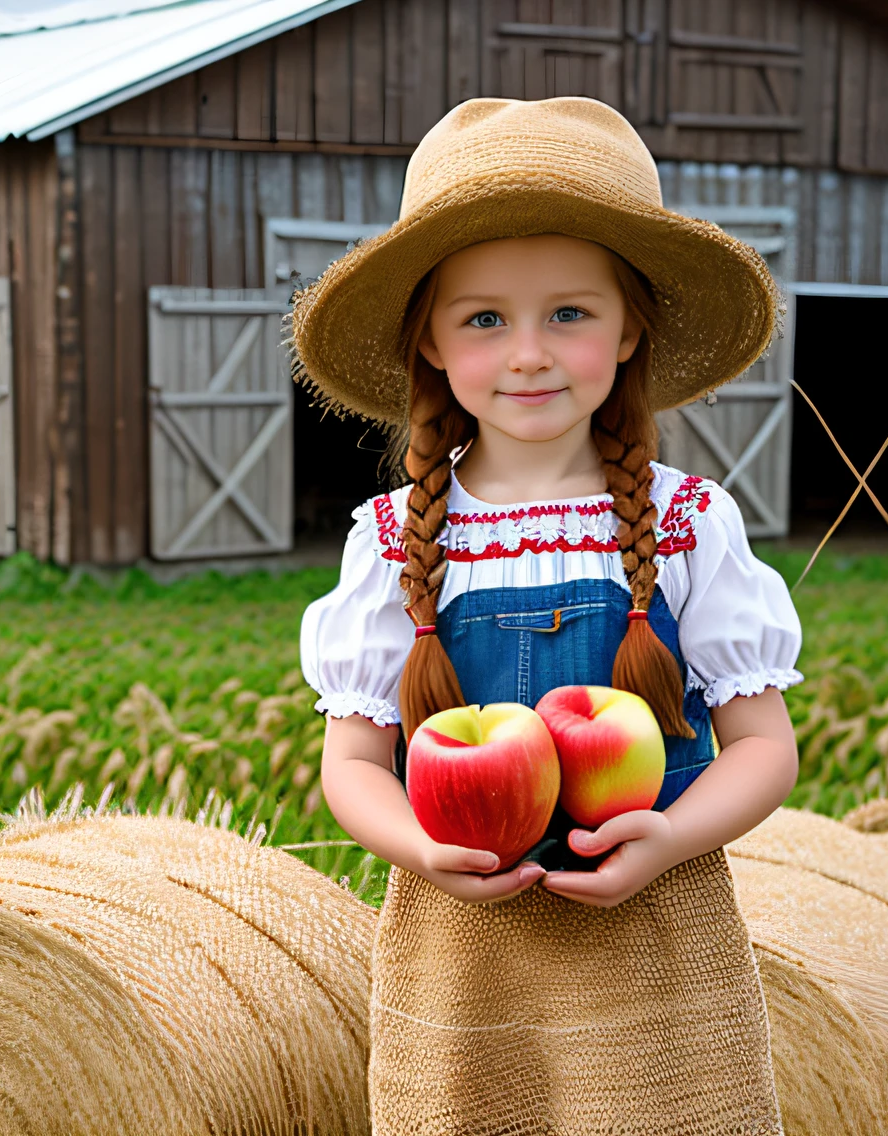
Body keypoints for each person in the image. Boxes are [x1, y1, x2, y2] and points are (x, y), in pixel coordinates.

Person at [292, 97, 802, 1132]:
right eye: (483, 317)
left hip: (656, 942)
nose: (527, 352)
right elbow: (350, 762)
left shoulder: (686, 520)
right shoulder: (392, 539)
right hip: (462, 957)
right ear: (428, 342)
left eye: (567, 312)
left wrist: (666, 836)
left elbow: (763, 747)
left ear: (628, 332)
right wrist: (420, 848)